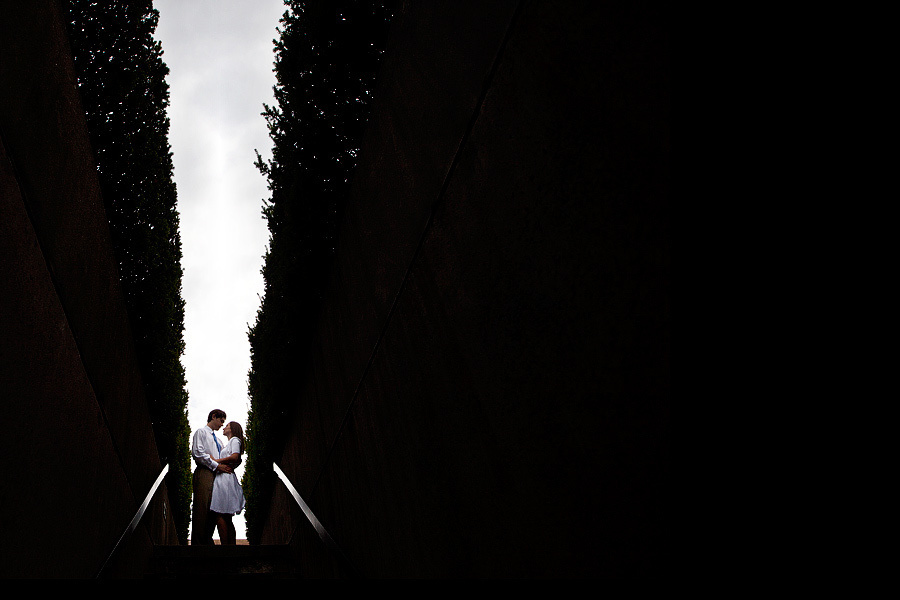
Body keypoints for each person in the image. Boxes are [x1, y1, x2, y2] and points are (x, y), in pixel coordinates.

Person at [191, 409, 233, 545]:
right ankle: (198, 545)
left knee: (214, 510)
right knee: (201, 508)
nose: (222, 424)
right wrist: (216, 465)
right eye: (221, 421)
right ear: (213, 417)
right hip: (205, 472)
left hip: (218, 475)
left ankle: (207, 540)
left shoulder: (219, 441)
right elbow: (198, 453)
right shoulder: (201, 432)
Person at [209, 421, 246, 545]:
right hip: (225, 478)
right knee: (227, 517)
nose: (224, 428)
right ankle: (231, 546)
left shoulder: (235, 440)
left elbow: (235, 457)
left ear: (233, 429)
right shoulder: (230, 443)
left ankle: (226, 548)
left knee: (220, 514)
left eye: (227, 426)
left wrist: (216, 461)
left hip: (225, 480)